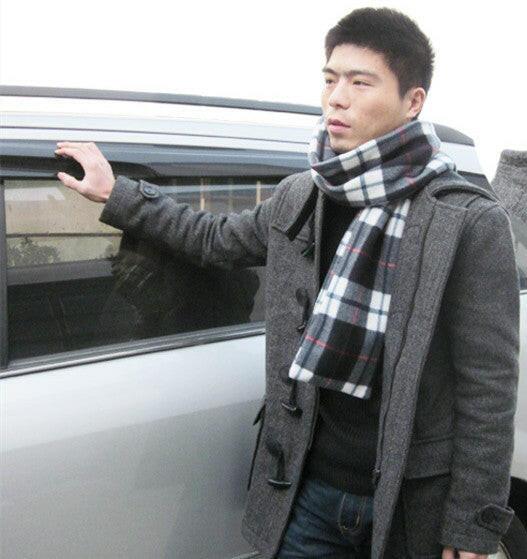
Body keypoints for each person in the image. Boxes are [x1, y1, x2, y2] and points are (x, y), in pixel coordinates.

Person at [54, 7, 520, 559]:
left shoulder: (466, 220)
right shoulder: (306, 192)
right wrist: (118, 195)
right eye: (330, 79)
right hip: (309, 487)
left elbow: (488, 385)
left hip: (408, 501)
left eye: (360, 82)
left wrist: (471, 524)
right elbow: (216, 239)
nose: (336, 98)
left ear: (413, 101)